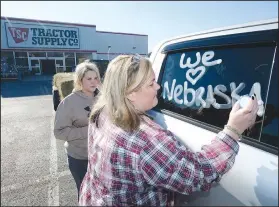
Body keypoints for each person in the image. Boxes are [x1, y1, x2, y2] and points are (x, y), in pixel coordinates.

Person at [79, 55, 258, 206]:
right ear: (131, 93)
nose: (158, 87)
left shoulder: (102, 111)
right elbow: (199, 174)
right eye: (151, 83)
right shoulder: (147, 140)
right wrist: (234, 130)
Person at [54, 60, 101, 200]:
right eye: (89, 79)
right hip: (80, 158)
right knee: (85, 194)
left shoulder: (102, 98)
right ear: (80, 80)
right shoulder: (69, 102)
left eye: (96, 78)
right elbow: (59, 131)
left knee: (100, 194)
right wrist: (88, 130)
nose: (94, 82)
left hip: (100, 155)